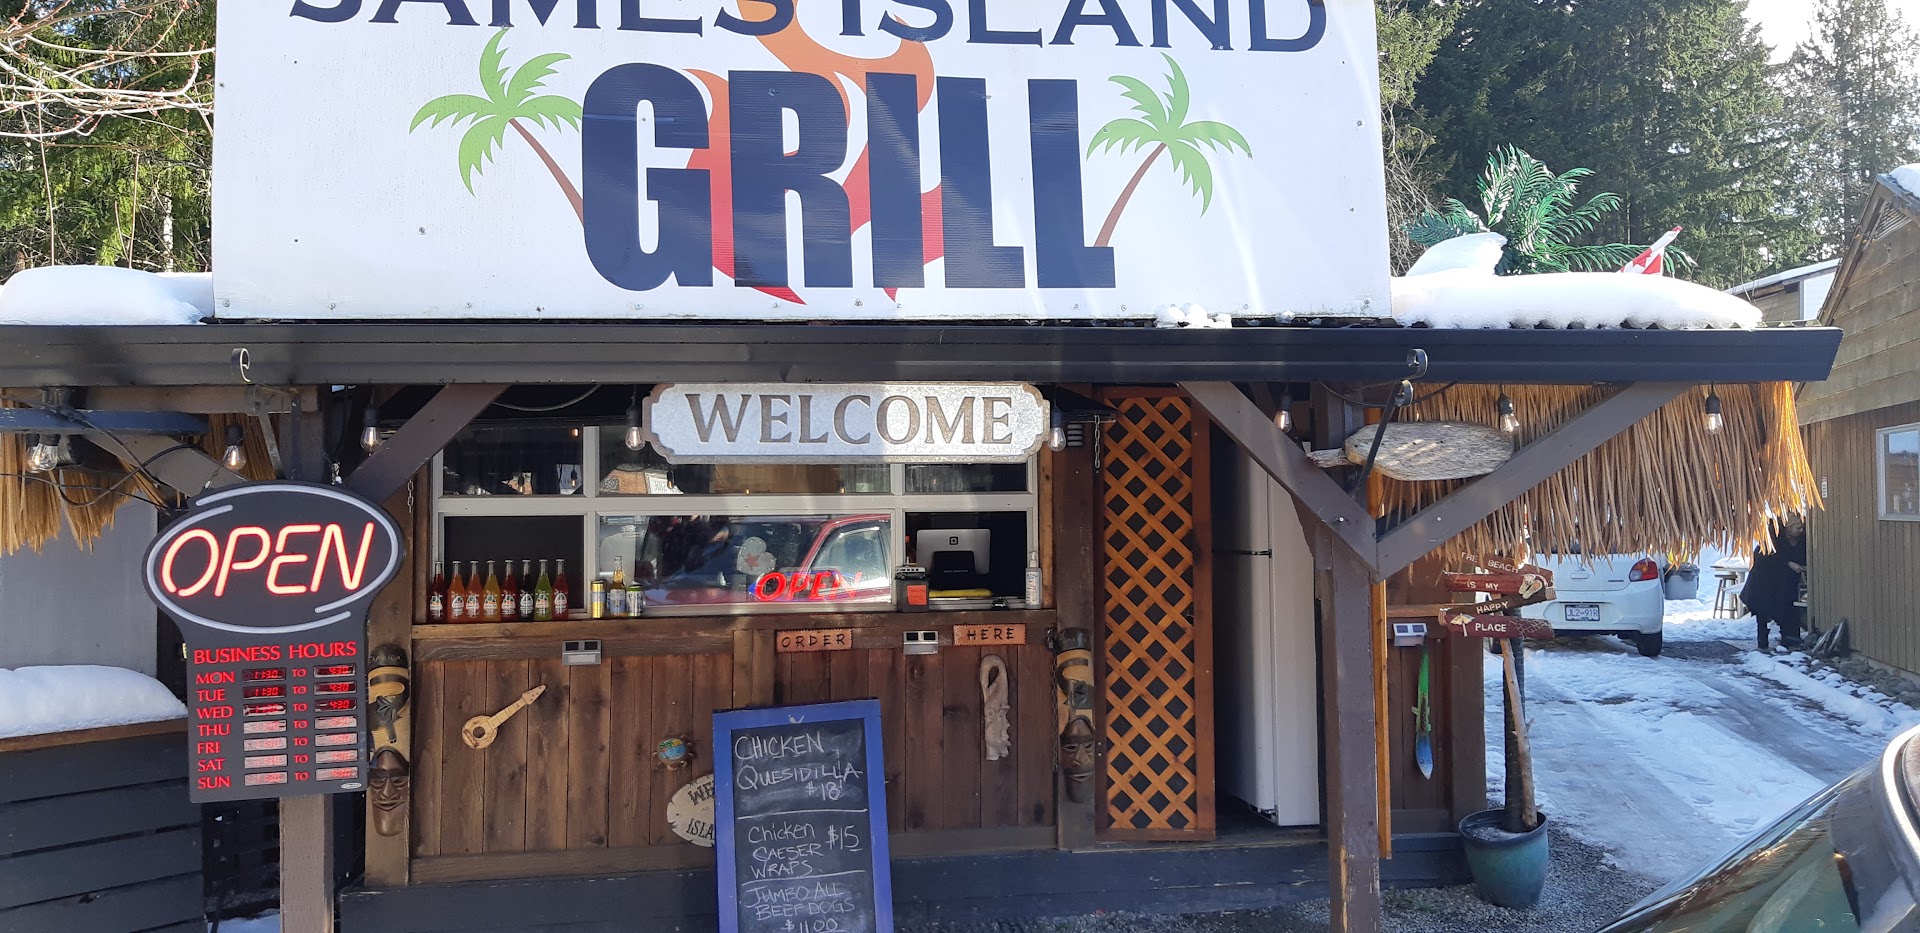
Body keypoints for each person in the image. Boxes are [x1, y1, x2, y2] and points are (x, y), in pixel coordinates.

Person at [1743, 517, 1808, 651]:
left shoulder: (1802, 540)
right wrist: (1788, 563)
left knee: (1789, 606)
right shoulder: (1773, 538)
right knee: (1763, 610)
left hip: (1786, 580)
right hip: (1764, 579)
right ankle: (1762, 641)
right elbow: (1767, 556)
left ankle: (1789, 639)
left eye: (1802, 528)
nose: (1801, 531)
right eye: (1798, 528)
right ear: (1788, 528)